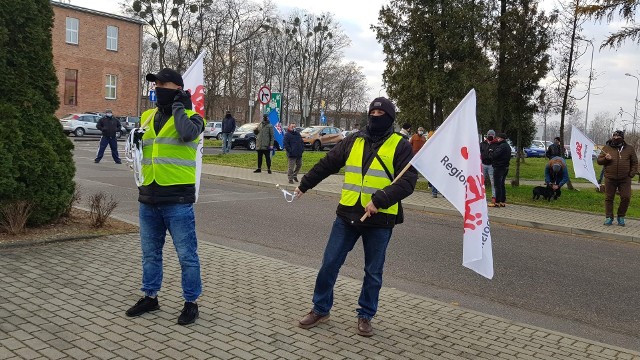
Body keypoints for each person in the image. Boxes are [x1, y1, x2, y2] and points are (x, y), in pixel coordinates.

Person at [294, 97, 417, 337]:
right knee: (330, 262)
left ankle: (365, 315)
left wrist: (380, 200)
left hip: (380, 219)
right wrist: (305, 184)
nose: (376, 115)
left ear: (390, 117)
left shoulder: (400, 145)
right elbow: (329, 163)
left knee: (373, 271)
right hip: (347, 214)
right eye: (373, 111)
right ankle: (320, 308)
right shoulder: (353, 140)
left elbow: (408, 182)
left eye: (381, 112)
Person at [125, 67, 205, 325]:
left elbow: (186, 134)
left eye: (162, 84)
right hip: (148, 196)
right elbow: (139, 148)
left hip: (177, 200)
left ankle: (191, 302)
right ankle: (150, 296)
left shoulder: (193, 118)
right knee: (150, 254)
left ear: (178, 90)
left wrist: (180, 107)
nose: (157, 88)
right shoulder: (147, 116)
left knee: (187, 256)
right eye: (155, 83)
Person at [597, 130, 638, 226]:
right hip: (610, 178)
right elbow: (599, 161)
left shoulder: (629, 148)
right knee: (609, 198)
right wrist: (605, 158)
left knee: (626, 197)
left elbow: (635, 162)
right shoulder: (607, 148)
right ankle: (609, 217)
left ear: (622, 138)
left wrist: (631, 174)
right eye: (614, 136)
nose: (615, 138)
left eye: (618, 136)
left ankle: (621, 216)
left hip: (625, 179)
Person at [490, 132, 511, 207]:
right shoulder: (507, 146)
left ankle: (497, 202)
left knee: (497, 185)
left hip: (499, 167)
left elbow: (495, 155)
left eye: (498, 138)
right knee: (502, 184)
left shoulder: (501, 146)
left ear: (501, 138)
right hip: (505, 167)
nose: (497, 139)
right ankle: (502, 201)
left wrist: (491, 151)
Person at [480, 130, 497, 206]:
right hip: (483, 164)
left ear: (494, 136)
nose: (490, 136)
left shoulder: (496, 144)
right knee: (481, 181)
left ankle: (494, 197)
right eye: (489, 134)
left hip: (491, 165)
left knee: (493, 182)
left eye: (492, 135)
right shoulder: (482, 144)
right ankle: (480, 196)